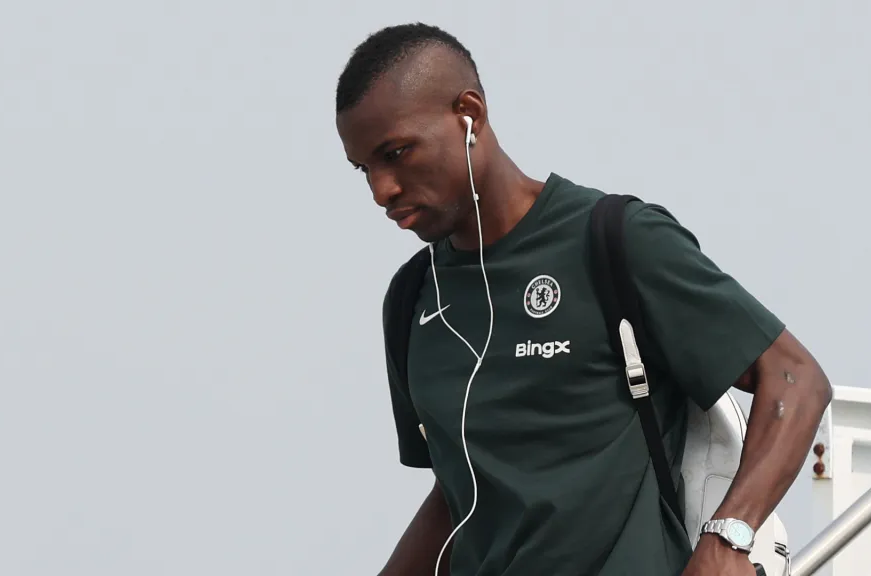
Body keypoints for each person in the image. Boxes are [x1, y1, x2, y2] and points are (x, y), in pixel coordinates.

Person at [334, 22, 832, 576]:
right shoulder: (410, 301)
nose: (382, 190)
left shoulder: (616, 240)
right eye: (364, 169)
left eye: (396, 153)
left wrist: (729, 536)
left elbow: (794, 377)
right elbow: (456, 496)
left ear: (469, 113)